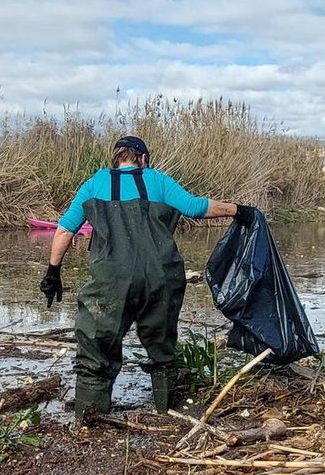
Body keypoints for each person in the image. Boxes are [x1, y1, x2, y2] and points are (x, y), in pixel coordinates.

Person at [40, 135, 254, 418]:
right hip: (161, 278)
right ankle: (167, 412)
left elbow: (65, 229)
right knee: (161, 345)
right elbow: (195, 207)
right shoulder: (158, 180)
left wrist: (53, 270)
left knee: (96, 346)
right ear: (142, 158)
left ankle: (90, 419)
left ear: (116, 157)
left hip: (110, 282)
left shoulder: (95, 183)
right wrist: (238, 210)